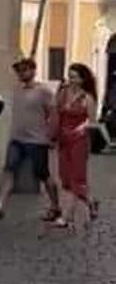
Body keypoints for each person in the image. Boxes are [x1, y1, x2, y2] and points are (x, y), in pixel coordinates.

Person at [0, 57, 60, 220]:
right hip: (17, 139)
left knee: (43, 174)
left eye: (24, 70)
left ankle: (55, 206)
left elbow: (53, 114)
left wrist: (52, 136)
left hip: (37, 140)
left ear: (33, 71)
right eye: (18, 71)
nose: (21, 74)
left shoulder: (43, 91)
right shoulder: (17, 89)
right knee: (9, 170)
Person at [52, 63, 97, 228]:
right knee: (65, 179)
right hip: (64, 140)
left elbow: (92, 122)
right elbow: (55, 112)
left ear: (82, 79)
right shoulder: (63, 93)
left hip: (79, 141)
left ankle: (67, 217)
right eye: (69, 76)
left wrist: (80, 129)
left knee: (76, 179)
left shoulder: (87, 98)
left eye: (74, 77)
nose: (71, 80)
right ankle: (91, 202)